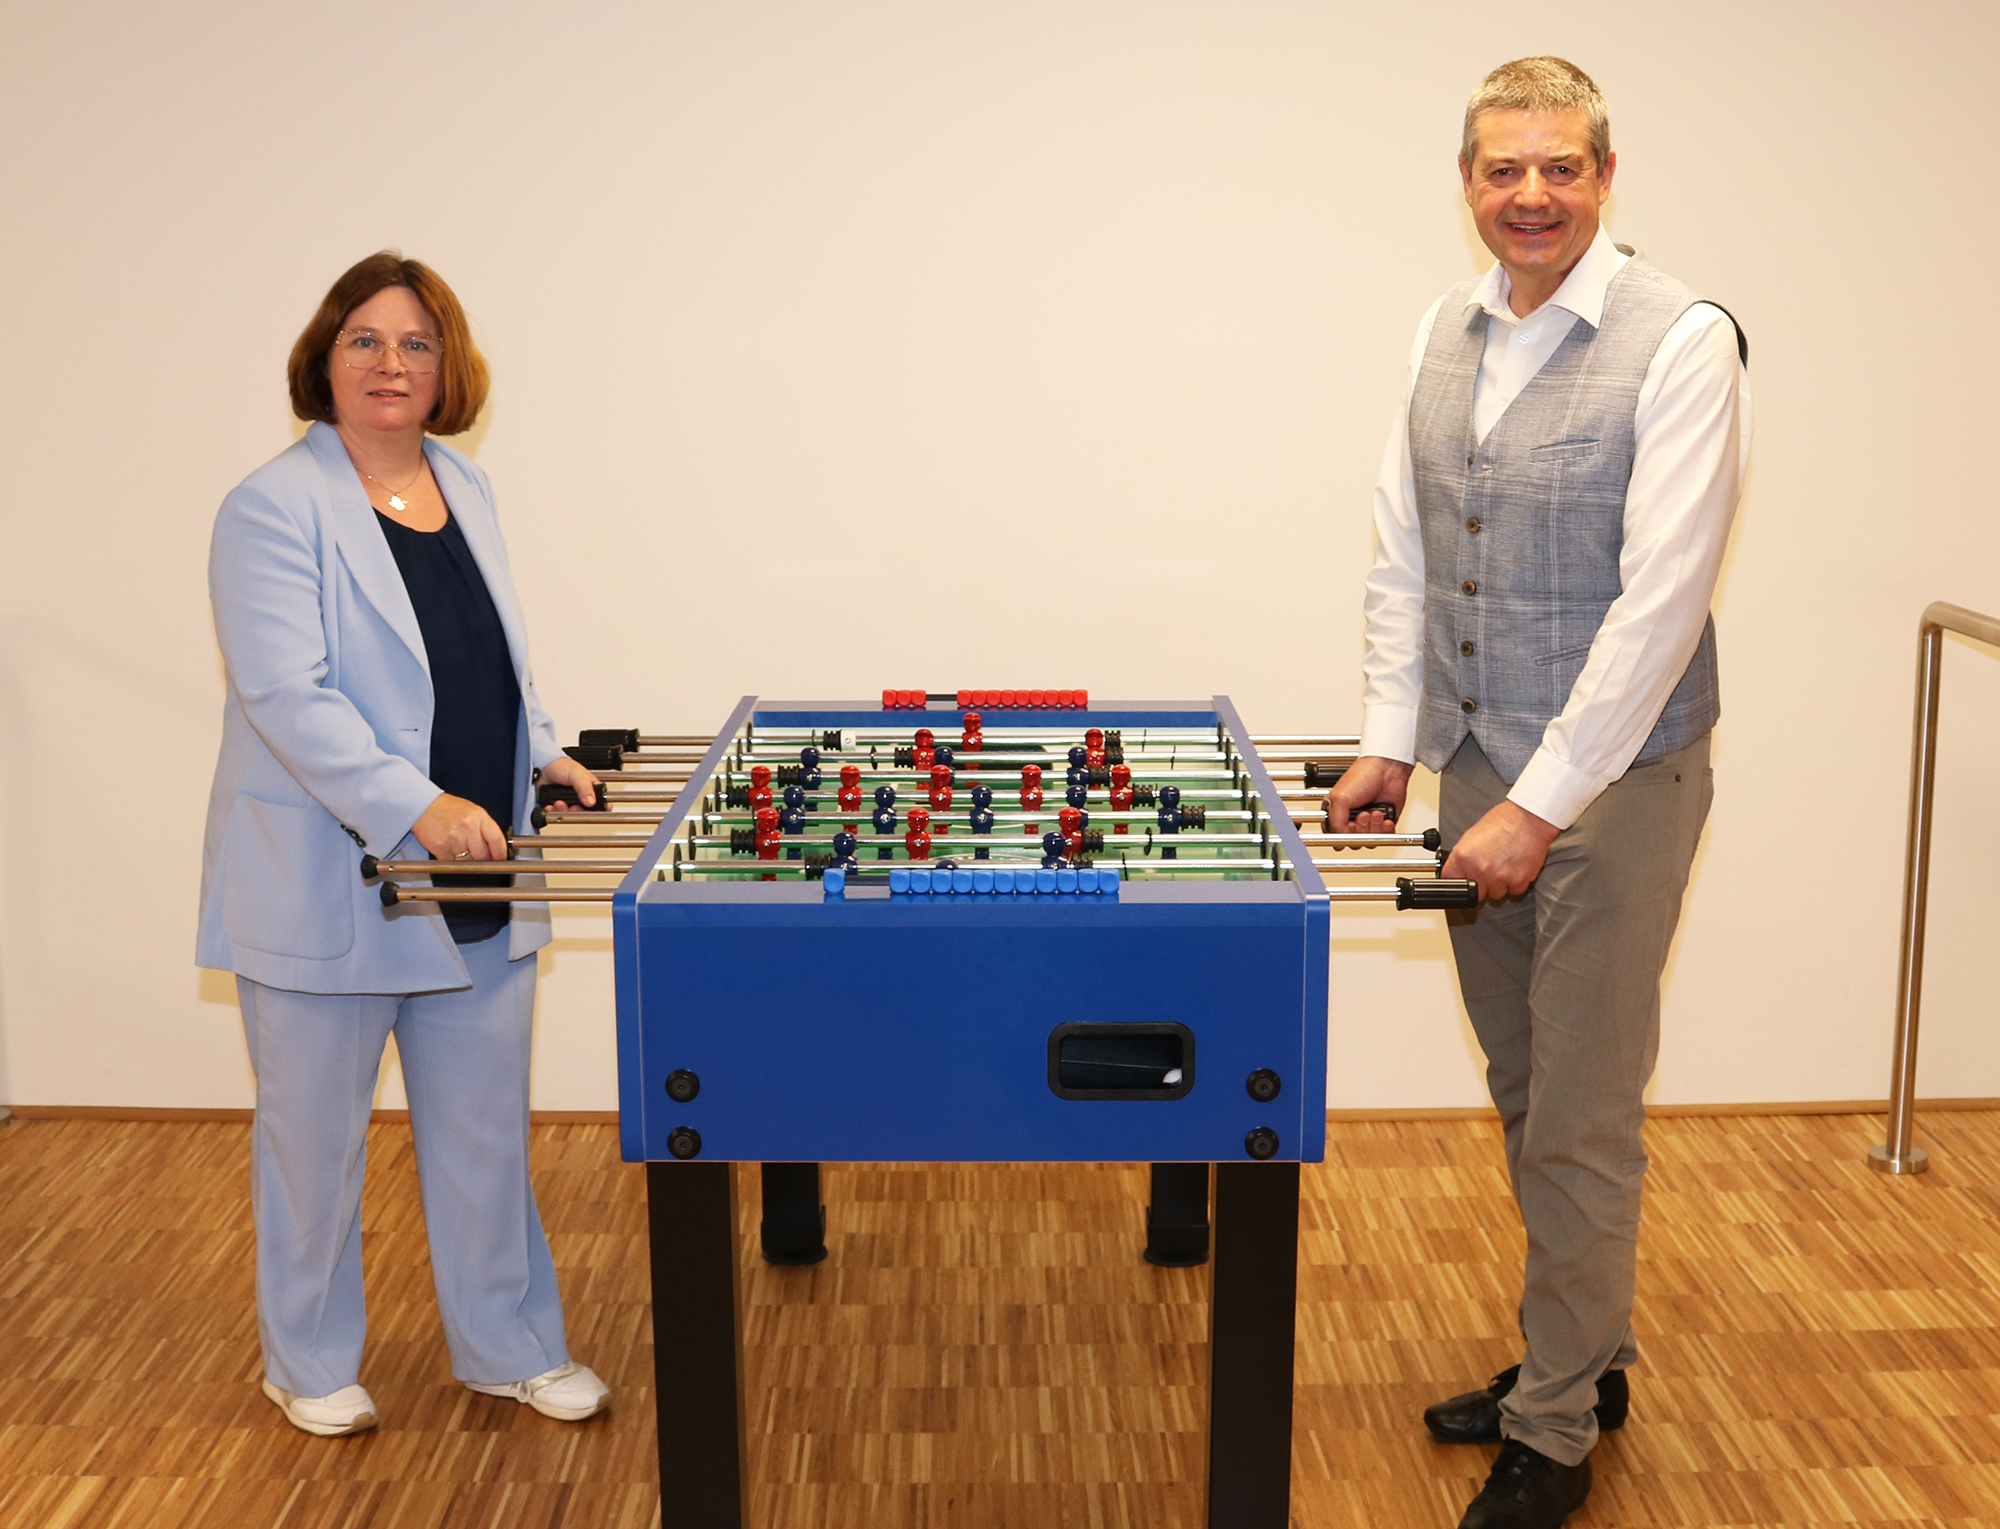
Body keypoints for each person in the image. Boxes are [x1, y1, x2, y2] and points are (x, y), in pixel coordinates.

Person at [1322, 59, 1750, 1529]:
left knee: (1579, 1116)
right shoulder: (1442, 330)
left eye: (1560, 166)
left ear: (1605, 176)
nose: (1531, 194)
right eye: (1503, 168)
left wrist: (1539, 805)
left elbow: (1659, 608)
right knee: (1522, 1088)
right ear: (1467, 182)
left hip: (1614, 787)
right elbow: (1405, 552)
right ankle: (1586, 1353)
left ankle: (1555, 1424)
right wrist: (1392, 737)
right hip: (1477, 764)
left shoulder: (1683, 340)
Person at [197, 252, 611, 1437]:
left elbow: (491, 658)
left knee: (485, 1138)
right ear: (324, 359)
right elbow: (289, 696)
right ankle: (307, 1360)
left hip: (481, 868)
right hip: (332, 878)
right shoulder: (271, 507)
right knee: (313, 1151)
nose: (391, 362)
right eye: (365, 339)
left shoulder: (463, 485)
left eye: (416, 342)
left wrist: (543, 752)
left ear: (447, 368)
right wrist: (416, 803)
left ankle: (509, 1345)